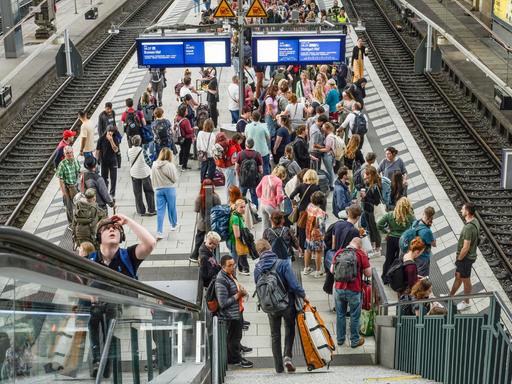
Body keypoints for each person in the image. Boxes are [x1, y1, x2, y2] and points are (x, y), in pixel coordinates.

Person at [88, 214, 156, 375]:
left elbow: (151, 243)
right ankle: (99, 361)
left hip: (125, 312)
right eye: (106, 228)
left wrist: (128, 221)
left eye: (117, 229)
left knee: (112, 333)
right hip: (99, 311)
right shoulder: (89, 260)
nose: (112, 229)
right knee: (96, 324)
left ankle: (106, 364)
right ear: (99, 236)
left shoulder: (129, 256)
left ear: (122, 236)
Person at [254, 239, 306, 373]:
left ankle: (278, 366)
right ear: (270, 248)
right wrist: (303, 295)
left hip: (270, 306)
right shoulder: (282, 264)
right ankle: (287, 356)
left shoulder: (257, 268)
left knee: (275, 335)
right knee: (289, 328)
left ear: (259, 252)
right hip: (286, 303)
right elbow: (294, 285)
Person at [331, 237, 371, 348]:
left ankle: (340, 339)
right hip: (354, 289)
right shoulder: (360, 254)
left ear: (350, 243)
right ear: (359, 246)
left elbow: (331, 270)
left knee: (340, 315)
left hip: (339, 288)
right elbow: (368, 274)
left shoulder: (339, 252)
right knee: (354, 316)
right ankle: (354, 340)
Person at [215, 255, 253, 368]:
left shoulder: (229, 274)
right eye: (229, 265)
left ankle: (236, 354)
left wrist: (241, 290)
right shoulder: (221, 280)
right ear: (223, 266)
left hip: (237, 311)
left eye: (233, 264)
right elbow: (223, 303)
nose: (233, 267)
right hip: (231, 315)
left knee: (236, 336)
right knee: (233, 338)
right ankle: (235, 359)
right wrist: (238, 295)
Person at [450, 202, 480, 311]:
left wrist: (459, 259)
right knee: (458, 276)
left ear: (467, 212)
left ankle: (466, 302)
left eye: (462, 209)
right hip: (468, 257)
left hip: (465, 258)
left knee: (466, 280)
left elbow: (465, 247)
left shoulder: (468, 228)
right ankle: (451, 296)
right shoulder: (475, 221)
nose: (461, 211)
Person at [377, 197, 415, 279]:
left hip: (391, 238)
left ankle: (385, 277)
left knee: (389, 258)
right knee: (399, 259)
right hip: (403, 240)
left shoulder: (390, 215)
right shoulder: (411, 217)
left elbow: (379, 225)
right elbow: (414, 229)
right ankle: (396, 278)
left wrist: (386, 232)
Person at [290, 169, 322, 257]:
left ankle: (302, 251)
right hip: (313, 211)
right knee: (312, 230)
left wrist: (295, 203)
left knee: (301, 231)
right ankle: (311, 250)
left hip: (302, 211)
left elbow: (291, 195)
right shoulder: (317, 187)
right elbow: (321, 200)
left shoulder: (300, 186)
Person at [190, 179, 222, 263]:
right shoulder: (215, 196)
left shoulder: (199, 197)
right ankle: (214, 255)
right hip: (213, 222)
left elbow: (196, 210)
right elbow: (219, 208)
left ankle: (195, 255)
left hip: (201, 222)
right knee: (213, 240)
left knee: (199, 240)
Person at [151, 147, 179, 239]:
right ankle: (173, 224)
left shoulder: (154, 164)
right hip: (169, 189)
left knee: (160, 211)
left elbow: (152, 177)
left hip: (159, 189)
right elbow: (174, 179)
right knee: (172, 207)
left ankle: (159, 231)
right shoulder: (170, 165)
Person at [128, 135, 155, 216]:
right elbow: (148, 162)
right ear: (139, 142)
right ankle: (151, 209)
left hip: (134, 173)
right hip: (144, 174)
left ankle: (140, 211)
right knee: (149, 191)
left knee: (137, 193)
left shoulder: (129, 150)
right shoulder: (142, 151)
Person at [304, 191, 327, 278]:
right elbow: (321, 225)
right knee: (318, 251)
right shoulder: (320, 212)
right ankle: (318, 271)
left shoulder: (309, 206)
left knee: (308, 249)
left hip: (308, 232)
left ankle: (306, 268)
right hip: (316, 234)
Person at [236, 138, 263, 210]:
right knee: (254, 197)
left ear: (245, 144)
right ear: (253, 145)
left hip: (243, 179)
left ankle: (241, 212)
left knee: (242, 197)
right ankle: (255, 214)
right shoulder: (257, 154)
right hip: (253, 181)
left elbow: (236, 168)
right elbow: (261, 170)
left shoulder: (240, 154)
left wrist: (239, 177)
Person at [361, 166, 382, 256]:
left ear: (371, 175)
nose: (365, 175)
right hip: (366, 209)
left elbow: (376, 202)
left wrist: (366, 197)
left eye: (367, 174)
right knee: (370, 228)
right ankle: (373, 246)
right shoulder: (367, 184)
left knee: (374, 229)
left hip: (372, 211)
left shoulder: (375, 187)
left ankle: (377, 247)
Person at [56, 146, 81, 224]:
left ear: (73, 152)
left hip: (76, 185)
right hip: (67, 187)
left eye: (70, 152)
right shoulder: (62, 164)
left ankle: (79, 220)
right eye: (67, 153)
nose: (69, 154)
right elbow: (61, 180)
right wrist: (64, 193)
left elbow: (79, 173)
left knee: (79, 204)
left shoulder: (76, 161)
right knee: (69, 206)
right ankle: (71, 223)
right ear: (64, 154)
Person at [95, 125, 121, 198]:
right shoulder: (101, 139)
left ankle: (112, 193)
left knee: (113, 178)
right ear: (106, 131)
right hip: (104, 161)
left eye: (112, 132)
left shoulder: (115, 138)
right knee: (104, 178)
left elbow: (116, 150)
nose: (110, 133)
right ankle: (105, 192)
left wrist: (111, 140)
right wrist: (96, 161)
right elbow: (97, 151)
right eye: (109, 131)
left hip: (113, 160)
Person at [410, 206, 437, 276]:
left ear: (423, 214)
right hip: (423, 256)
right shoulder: (427, 232)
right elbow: (434, 244)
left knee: (414, 272)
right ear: (431, 218)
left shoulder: (415, 223)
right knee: (422, 277)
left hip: (414, 252)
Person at [244, 111, 271, 176]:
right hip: (263, 151)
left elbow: (246, 136)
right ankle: (266, 182)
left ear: (252, 117)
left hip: (251, 151)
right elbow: (268, 137)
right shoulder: (263, 126)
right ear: (260, 117)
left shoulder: (248, 126)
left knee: (252, 169)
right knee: (265, 168)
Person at [229, 199, 251, 275]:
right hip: (234, 242)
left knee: (237, 258)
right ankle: (232, 277)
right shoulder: (235, 217)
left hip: (236, 241)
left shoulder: (239, 215)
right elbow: (237, 235)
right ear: (236, 207)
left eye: (244, 207)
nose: (243, 209)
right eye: (241, 207)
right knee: (233, 263)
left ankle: (240, 269)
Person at [176, 104, 194, 170]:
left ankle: (180, 162)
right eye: (186, 110)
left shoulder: (177, 117)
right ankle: (184, 165)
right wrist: (193, 129)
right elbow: (189, 130)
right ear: (184, 112)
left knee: (182, 150)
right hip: (186, 138)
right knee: (186, 152)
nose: (187, 112)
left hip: (180, 137)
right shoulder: (185, 121)